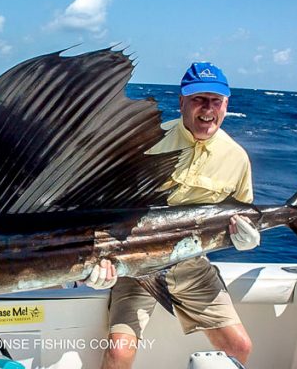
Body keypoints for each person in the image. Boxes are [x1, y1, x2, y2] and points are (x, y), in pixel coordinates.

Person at [97, 62, 260, 368]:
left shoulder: (237, 158)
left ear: (226, 105)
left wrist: (247, 239)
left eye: (215, 101)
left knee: (239, 348)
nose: (207, 109)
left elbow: (244, 215)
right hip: (135, 264)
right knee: (119, 352)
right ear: (181, 101)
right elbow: (109, 209)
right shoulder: (149, 142)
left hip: (192, 266)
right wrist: (98, 262)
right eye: (199, 99)